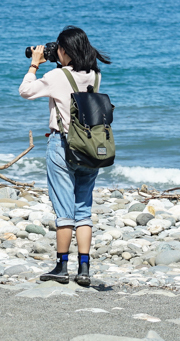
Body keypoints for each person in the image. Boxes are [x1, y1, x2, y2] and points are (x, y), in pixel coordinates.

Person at [19, 26, 111, 286]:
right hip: (90, 148)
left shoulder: (56, 75)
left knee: (64, 211)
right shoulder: (95, 75)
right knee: (83, 210)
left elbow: (25, 91)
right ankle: (84, 268)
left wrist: (34, 65)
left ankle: (61, 266)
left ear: (64, 50)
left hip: (63, 145)